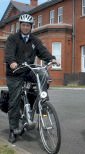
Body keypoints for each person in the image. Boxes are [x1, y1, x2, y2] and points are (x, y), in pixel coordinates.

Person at [5, 14, 58, 143]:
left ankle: (42, 102)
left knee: (44, 74)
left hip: (29, 70)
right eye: (23, 25)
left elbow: (42, 51)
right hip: (15, 73)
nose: (25, 27)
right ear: (20, 26)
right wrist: (12, 62)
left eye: (28, 25)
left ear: (31, 27)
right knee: (15, 101)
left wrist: (51, 59)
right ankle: (13, 129)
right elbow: (9, 53)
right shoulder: (13, 39)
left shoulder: (34, 40)